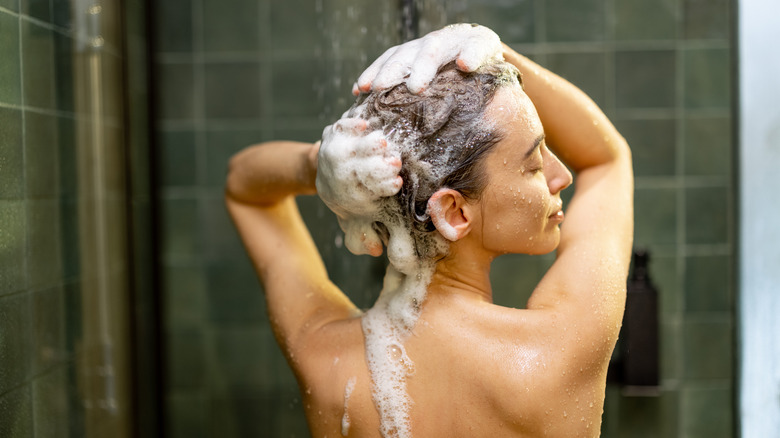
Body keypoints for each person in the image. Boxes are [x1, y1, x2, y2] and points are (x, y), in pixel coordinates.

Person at [226, 24, 633, 438]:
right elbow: (605, 159)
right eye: (533, 164)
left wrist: (325, 167)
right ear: (454, 212)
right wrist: (494, 51)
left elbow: (243, 186)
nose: (559, 174)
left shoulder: (324, 357)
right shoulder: (562, 347)